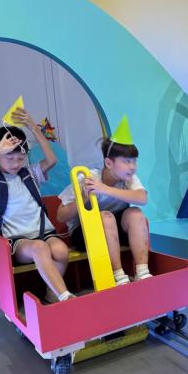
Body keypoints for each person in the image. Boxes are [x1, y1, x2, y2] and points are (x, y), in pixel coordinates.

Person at [0, 108, 74, 302]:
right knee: (39, 248)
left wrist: (33, 127)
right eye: (9, 158)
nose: (15, 164)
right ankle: (65, 297)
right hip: (18, 242)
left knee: (61, 251)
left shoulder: (31, 172)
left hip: (45, 233)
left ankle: (52, 292)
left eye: (20, 158)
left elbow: (52, 160)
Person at [57, 116, 152, 285]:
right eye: (127, 161)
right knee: (106, 217)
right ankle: (117, 274)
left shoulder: (129, 178)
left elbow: (142, 198)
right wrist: (84, 198)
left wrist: (104, 189)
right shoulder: (87, 178)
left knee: (135, 213)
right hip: (84, 234)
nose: (132, 167)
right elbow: (60, 216)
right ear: (109, 163)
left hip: (116, 231)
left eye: (134, 162)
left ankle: (142, 271)